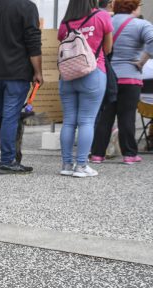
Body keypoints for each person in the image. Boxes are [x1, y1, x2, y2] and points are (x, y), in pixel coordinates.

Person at [0, 0, 43, 174]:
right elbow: (33, 40)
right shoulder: (27, 7)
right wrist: (38, 72)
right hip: (17, 72)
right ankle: (7, 161)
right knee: (10, 117)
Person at [90, 0, 153, 165]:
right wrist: (141, 61)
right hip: (130, 78)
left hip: (107, 76)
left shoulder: (106, 20)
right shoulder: (142, 25)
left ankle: (97, 154)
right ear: (133, 7)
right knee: (126, 116)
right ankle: (129, 154)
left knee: (105, 116)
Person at [57, 0, 113, 178]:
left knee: (69, 121)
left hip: (67, 76)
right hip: (93, 73)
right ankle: (81, 166)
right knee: (87, 121)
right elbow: (108, 48)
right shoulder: (102, 16)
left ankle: (66, 164)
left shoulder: (65, 23)